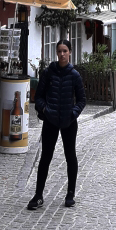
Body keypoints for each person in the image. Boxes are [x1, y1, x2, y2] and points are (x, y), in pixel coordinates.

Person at [28, 39, 86, 210]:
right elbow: (38, 97)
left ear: (70, 52)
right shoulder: (48, 73)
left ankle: (70, 194)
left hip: (69, 122)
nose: (62, 54)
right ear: (56, 53)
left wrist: (72, 114)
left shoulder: (74, 75)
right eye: (59, 51)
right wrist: (45, 110)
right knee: (45, 157)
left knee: (70, 156)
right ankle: (38, 195)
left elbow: (82, 100)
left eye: (65, 51)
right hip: (50, 121)